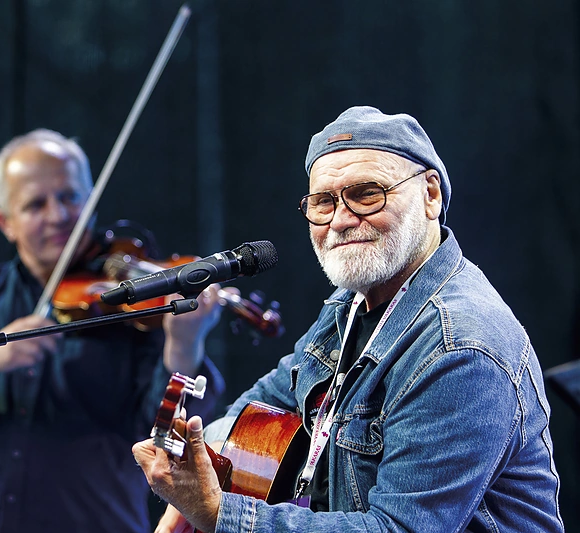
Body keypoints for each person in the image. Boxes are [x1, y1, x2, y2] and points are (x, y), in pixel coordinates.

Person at [133, 106, 564, 532]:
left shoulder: (462, 348)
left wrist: (217, 512)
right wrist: (204, 464)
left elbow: (399, 529)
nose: (340, 220)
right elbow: (268, 400)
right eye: (323, 201)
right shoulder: (352, 302)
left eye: (366, 194)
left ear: (430, 194)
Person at [0, 129, 225, 533]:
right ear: (5, 222)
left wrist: (183, 344)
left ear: (91, 201)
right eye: (36, 204)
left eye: (70, 197)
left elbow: (167, 438)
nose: (58, 215)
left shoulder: (131, 302)